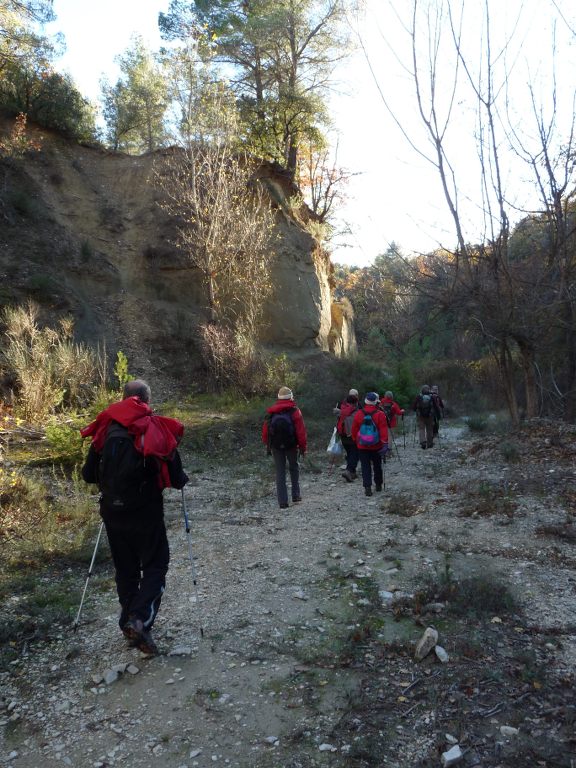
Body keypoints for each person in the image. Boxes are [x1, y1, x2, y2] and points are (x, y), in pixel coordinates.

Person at [81, 379, 188, 655]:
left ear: (124, 398)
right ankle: (139, 620)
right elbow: (177, 479)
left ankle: (130, 623)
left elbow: (87, 475)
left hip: (113, 514)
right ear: (147, 400)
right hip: (146, 513)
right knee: (156, 565)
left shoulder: (106, 430)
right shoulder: (153, 427)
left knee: (126, 570)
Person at [262, 386, 307, 509]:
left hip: (276, 446)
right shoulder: (295, 411)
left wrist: (268, 445)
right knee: (294, 467)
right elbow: (301, 432)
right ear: (291, 397)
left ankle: (282, 502)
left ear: (278, 397)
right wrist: (303, 447)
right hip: (291, 445)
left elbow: (265, 431)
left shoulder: (272, 412)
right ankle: (296, 495)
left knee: (280, 471)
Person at [351, 392, 389, 496]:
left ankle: (367, 487)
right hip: (376, 446)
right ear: (376, 402)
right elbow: (383, 430)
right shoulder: (380, 414)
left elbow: (354, 429)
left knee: (365, 466)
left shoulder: (359, 413)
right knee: (377, 465)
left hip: (362, 445)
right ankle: (378, 485)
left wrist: (356, 440)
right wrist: (385, 444)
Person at [336, 389, 360, 482]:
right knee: (355, 453)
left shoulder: (341, 409)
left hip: (343, 434)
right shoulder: (356, 410)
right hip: (352, 435)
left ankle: (352, 473)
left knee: (350, 453)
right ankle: (349, 471)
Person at [413, 384, 440, 449]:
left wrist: (416, 410)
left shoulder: (419, 396)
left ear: (422, 390)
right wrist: (438, 416)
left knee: (421, 429)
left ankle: (423, 442)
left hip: (420, 416)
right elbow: (436, 407)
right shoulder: (432, 396)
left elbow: (414, 407)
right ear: (429, 390)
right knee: (429, 429)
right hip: (430, 416)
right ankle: (430, 443)